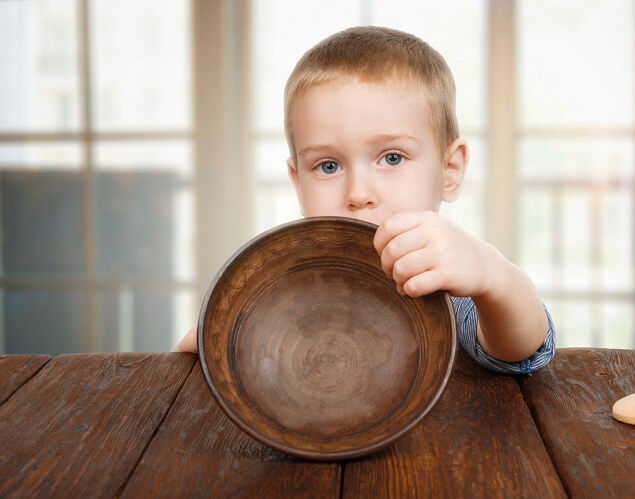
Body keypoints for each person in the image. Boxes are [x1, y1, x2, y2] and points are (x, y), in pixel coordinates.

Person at [175, 26, 555, 374]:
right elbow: (185, 369)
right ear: (298, 183)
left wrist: (492, 276)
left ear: (449, 170)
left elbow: (523, 350)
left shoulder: (445, 281)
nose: (358, 194)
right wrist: (212, 336)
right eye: (328, 166)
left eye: (392, 158)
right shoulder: (281, 292)